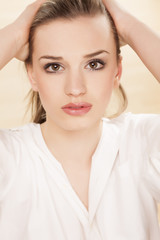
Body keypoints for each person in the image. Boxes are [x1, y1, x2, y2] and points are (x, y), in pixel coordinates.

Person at [0, 0, 160, 239]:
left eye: (94, 64)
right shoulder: (9, 158)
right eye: (54, 66)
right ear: (32, 75)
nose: (75, 89)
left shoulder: (144, 142)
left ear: (117, 71)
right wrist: (13, 35)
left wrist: (129, 27)